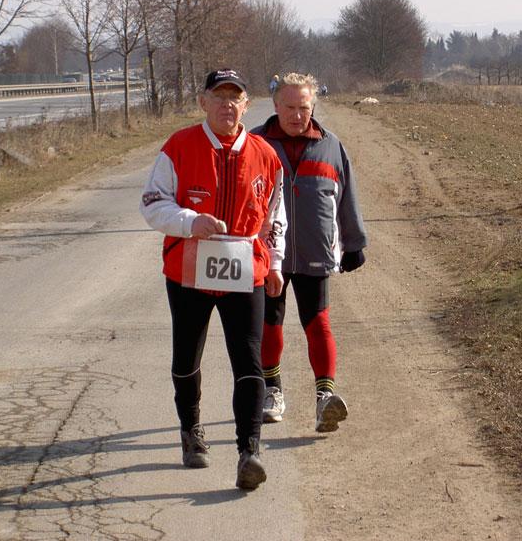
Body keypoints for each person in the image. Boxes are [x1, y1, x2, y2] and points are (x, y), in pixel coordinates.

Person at [140, 68, 286, 490]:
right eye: (218, 96)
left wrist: (276, 263)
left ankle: (249, 451)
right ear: (203, 102)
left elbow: (275, 216)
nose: (227, 105)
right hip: (188, 270)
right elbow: (152, 203)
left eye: (234, 97)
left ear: (246, 104)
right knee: (187, 357)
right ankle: (191, 430)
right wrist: (190, 221)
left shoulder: (265, 155)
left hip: (246, 269)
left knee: (249, 359)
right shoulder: (179, 146)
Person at [251, 72, 367, 433]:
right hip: (267, 252)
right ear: (275, 105)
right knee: (269, 322)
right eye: (289, 107)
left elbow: (346, 196)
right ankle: (272, 390)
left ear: (313, 105)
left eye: (303, 107)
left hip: (315, 249)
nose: (296, 115)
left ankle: (324, 398)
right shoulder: (255, 143)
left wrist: (355, 241)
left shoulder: (331, 146)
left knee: (318, 323)